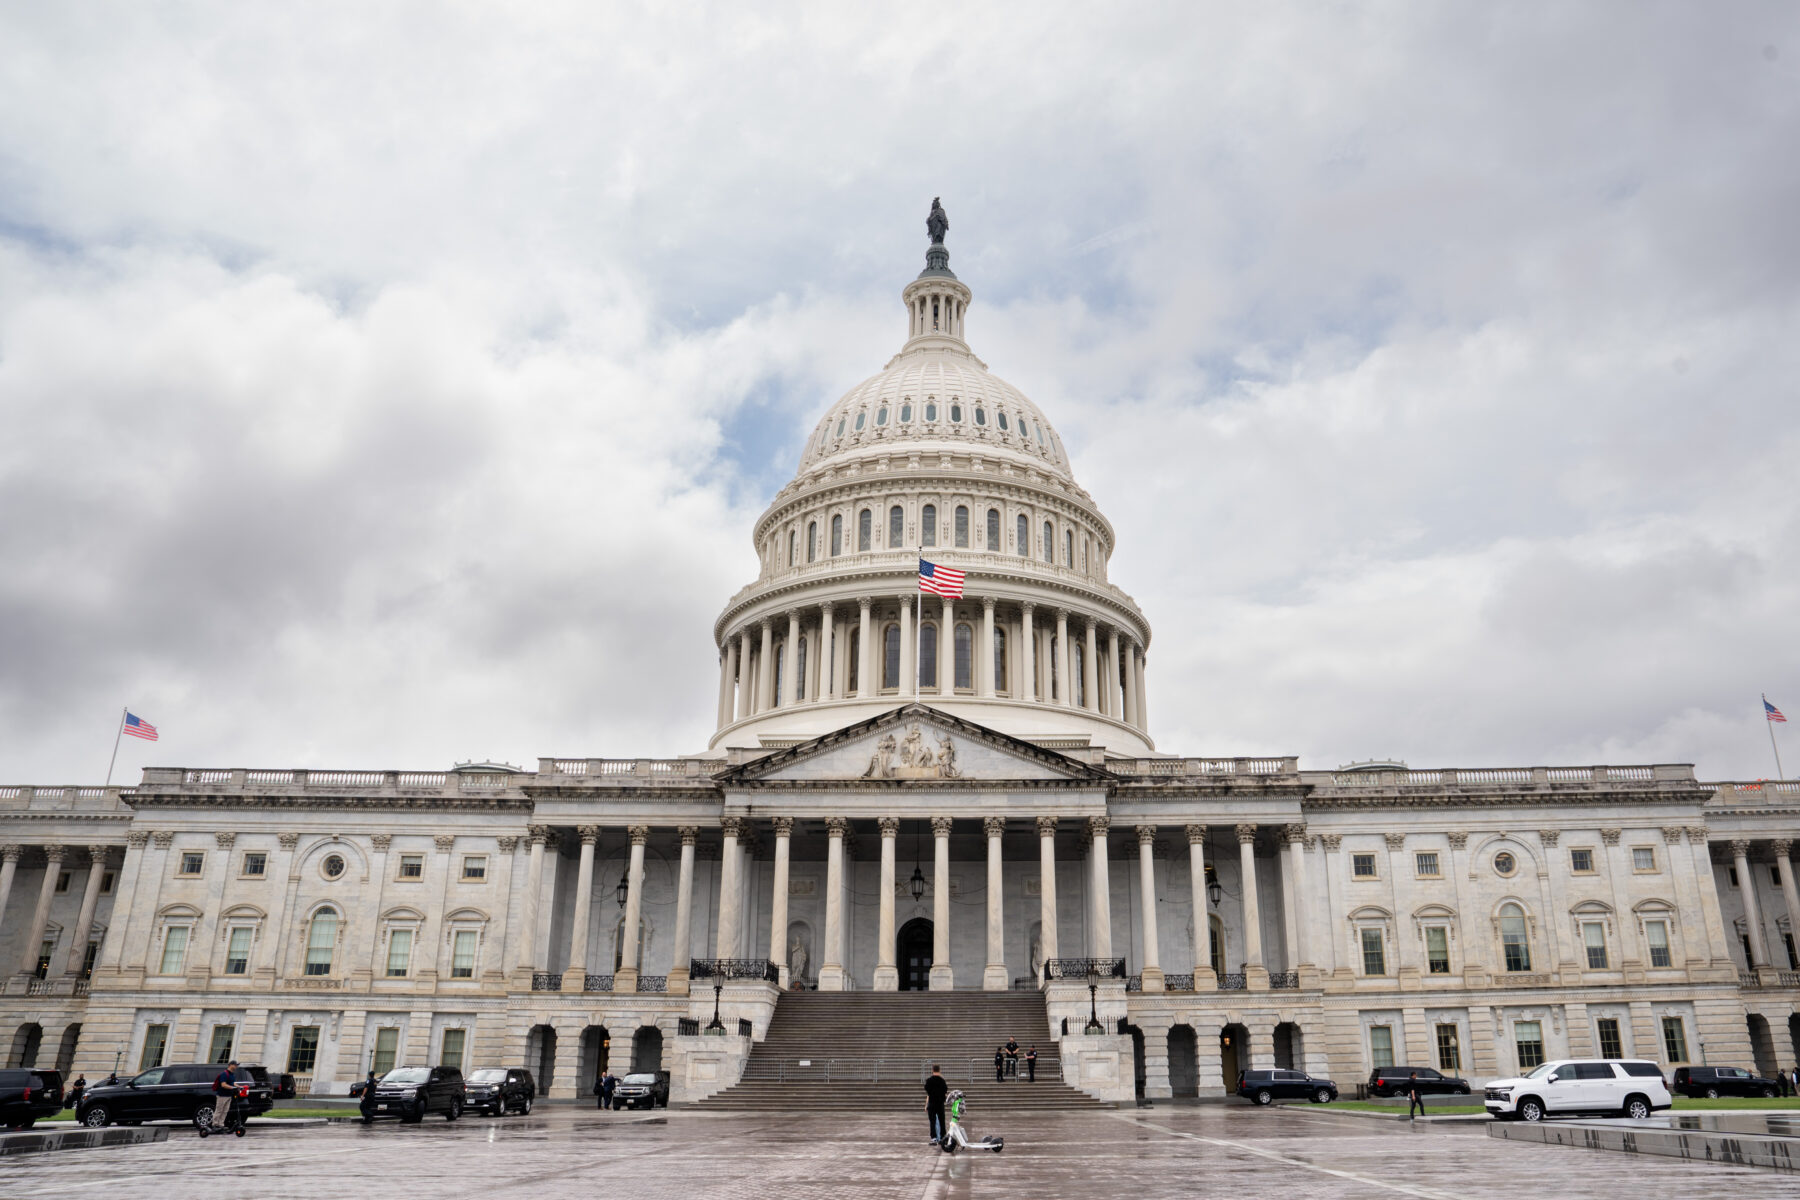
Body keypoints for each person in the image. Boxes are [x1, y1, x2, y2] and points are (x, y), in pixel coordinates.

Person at [210, 1060, 240, 1132]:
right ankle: (215, 1124)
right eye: (235, 1065)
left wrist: (238, 1086)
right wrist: (232, 1088)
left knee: (225, 1111)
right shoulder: (224, 1074)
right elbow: (223, 1085)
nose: (236, 1066)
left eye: (237, 1065)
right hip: (222, 1095)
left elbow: (233, 1083)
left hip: (229, 1095)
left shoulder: (232, 1074)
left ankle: (221, 1124)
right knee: (219, 1110)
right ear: (230, 1065)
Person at [924, 1064, 948, 1143]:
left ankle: (933, 1138)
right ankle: (942, 1136)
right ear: (939, 1070)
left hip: (932, 1103)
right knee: (942, 1120)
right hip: (940, 1103)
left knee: (932, 1121)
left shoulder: (929, 1081)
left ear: (932, 1070)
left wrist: (926, 1105)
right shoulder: (942, 1081)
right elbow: (945, 1092)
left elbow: (928, 1093)